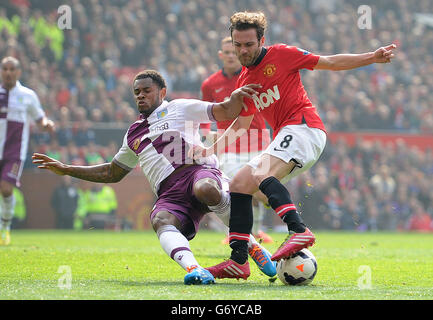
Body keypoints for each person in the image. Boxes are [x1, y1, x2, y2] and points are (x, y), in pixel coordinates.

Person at [194, 11, 396, 279]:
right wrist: (210, 150)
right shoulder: (244, 81)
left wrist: (371, 57)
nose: (242, 50)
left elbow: (330, 62)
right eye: (237, 45)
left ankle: (298, 230)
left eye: (249, 45)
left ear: (261, 40)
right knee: (241, 183)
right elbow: (241, 125)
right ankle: (239, 261)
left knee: (260, 174)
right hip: (286, 137)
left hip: (304, 128)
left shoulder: (282, 54)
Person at [32, 70, 276, 285]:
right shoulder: (133, 133)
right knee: (159, 219)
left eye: (146, 90)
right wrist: (66, 169)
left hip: (197, 171)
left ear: (162, 92)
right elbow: (112, 173)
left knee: (205, 189)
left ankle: (250, 246)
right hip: (170, 193)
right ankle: (195, 269)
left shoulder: (179, 107)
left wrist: (237, 97)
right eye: (136, 91)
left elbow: (225, 111)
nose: (140, 95)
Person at [200, 36, 273, 244]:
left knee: (262, 193)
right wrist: (206, 134)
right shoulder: (210, 84)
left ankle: (256, 232)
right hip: (229, 145)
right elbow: (205, 115)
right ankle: (236, 234)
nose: (232, 56)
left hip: (259, 142)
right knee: (237, 188)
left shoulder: (252, 76)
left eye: (234, 51)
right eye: (227, 52)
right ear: (221, 55)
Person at [0, 56, 55, 245]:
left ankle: (5, 228)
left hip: (14, 154)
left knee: (6, 190)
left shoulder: (28, 95)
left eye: (11, 69)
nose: (7, 73)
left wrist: (47, 124)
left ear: (18, 72)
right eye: (4, 69)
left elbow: (40, 119)